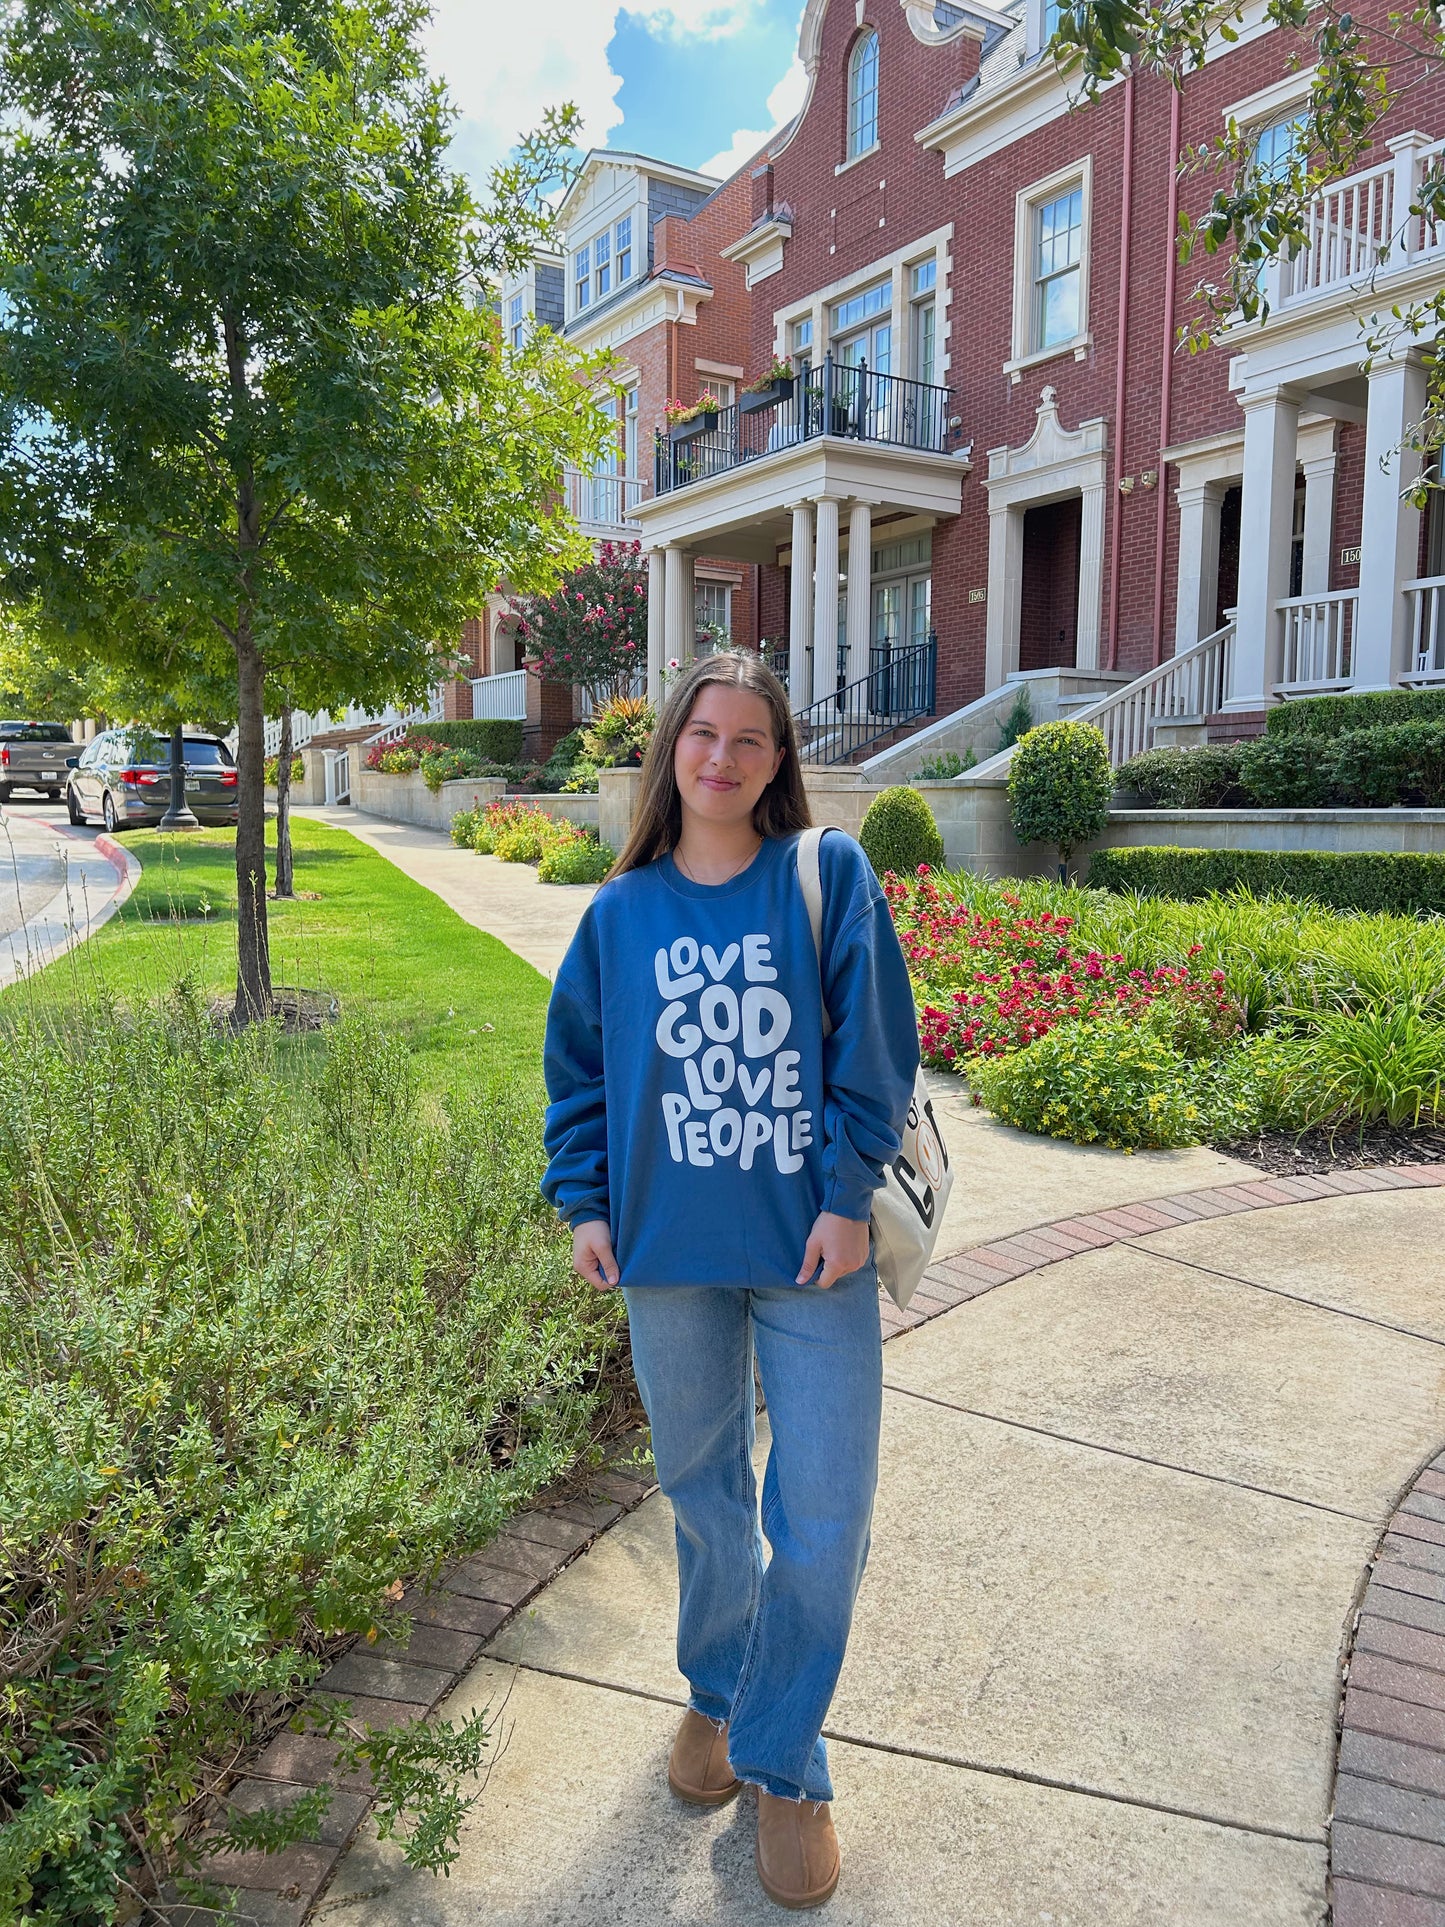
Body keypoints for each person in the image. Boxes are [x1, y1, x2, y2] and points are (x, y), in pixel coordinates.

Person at [541, 652, 920, 1911]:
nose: (721, 757)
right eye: (701, 734)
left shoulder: (825, 877)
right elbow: (580, 1081)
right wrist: (585, 1203)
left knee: (823, 1516)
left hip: (813, 1253)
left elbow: (874, 1050)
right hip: (668, 1258)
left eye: (749, 739)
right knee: (703, 1496)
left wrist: (844, 1194)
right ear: (671, 752)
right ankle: (718, 1695)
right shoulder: (619, 913)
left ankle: (784, 1764)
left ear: (776, 761)